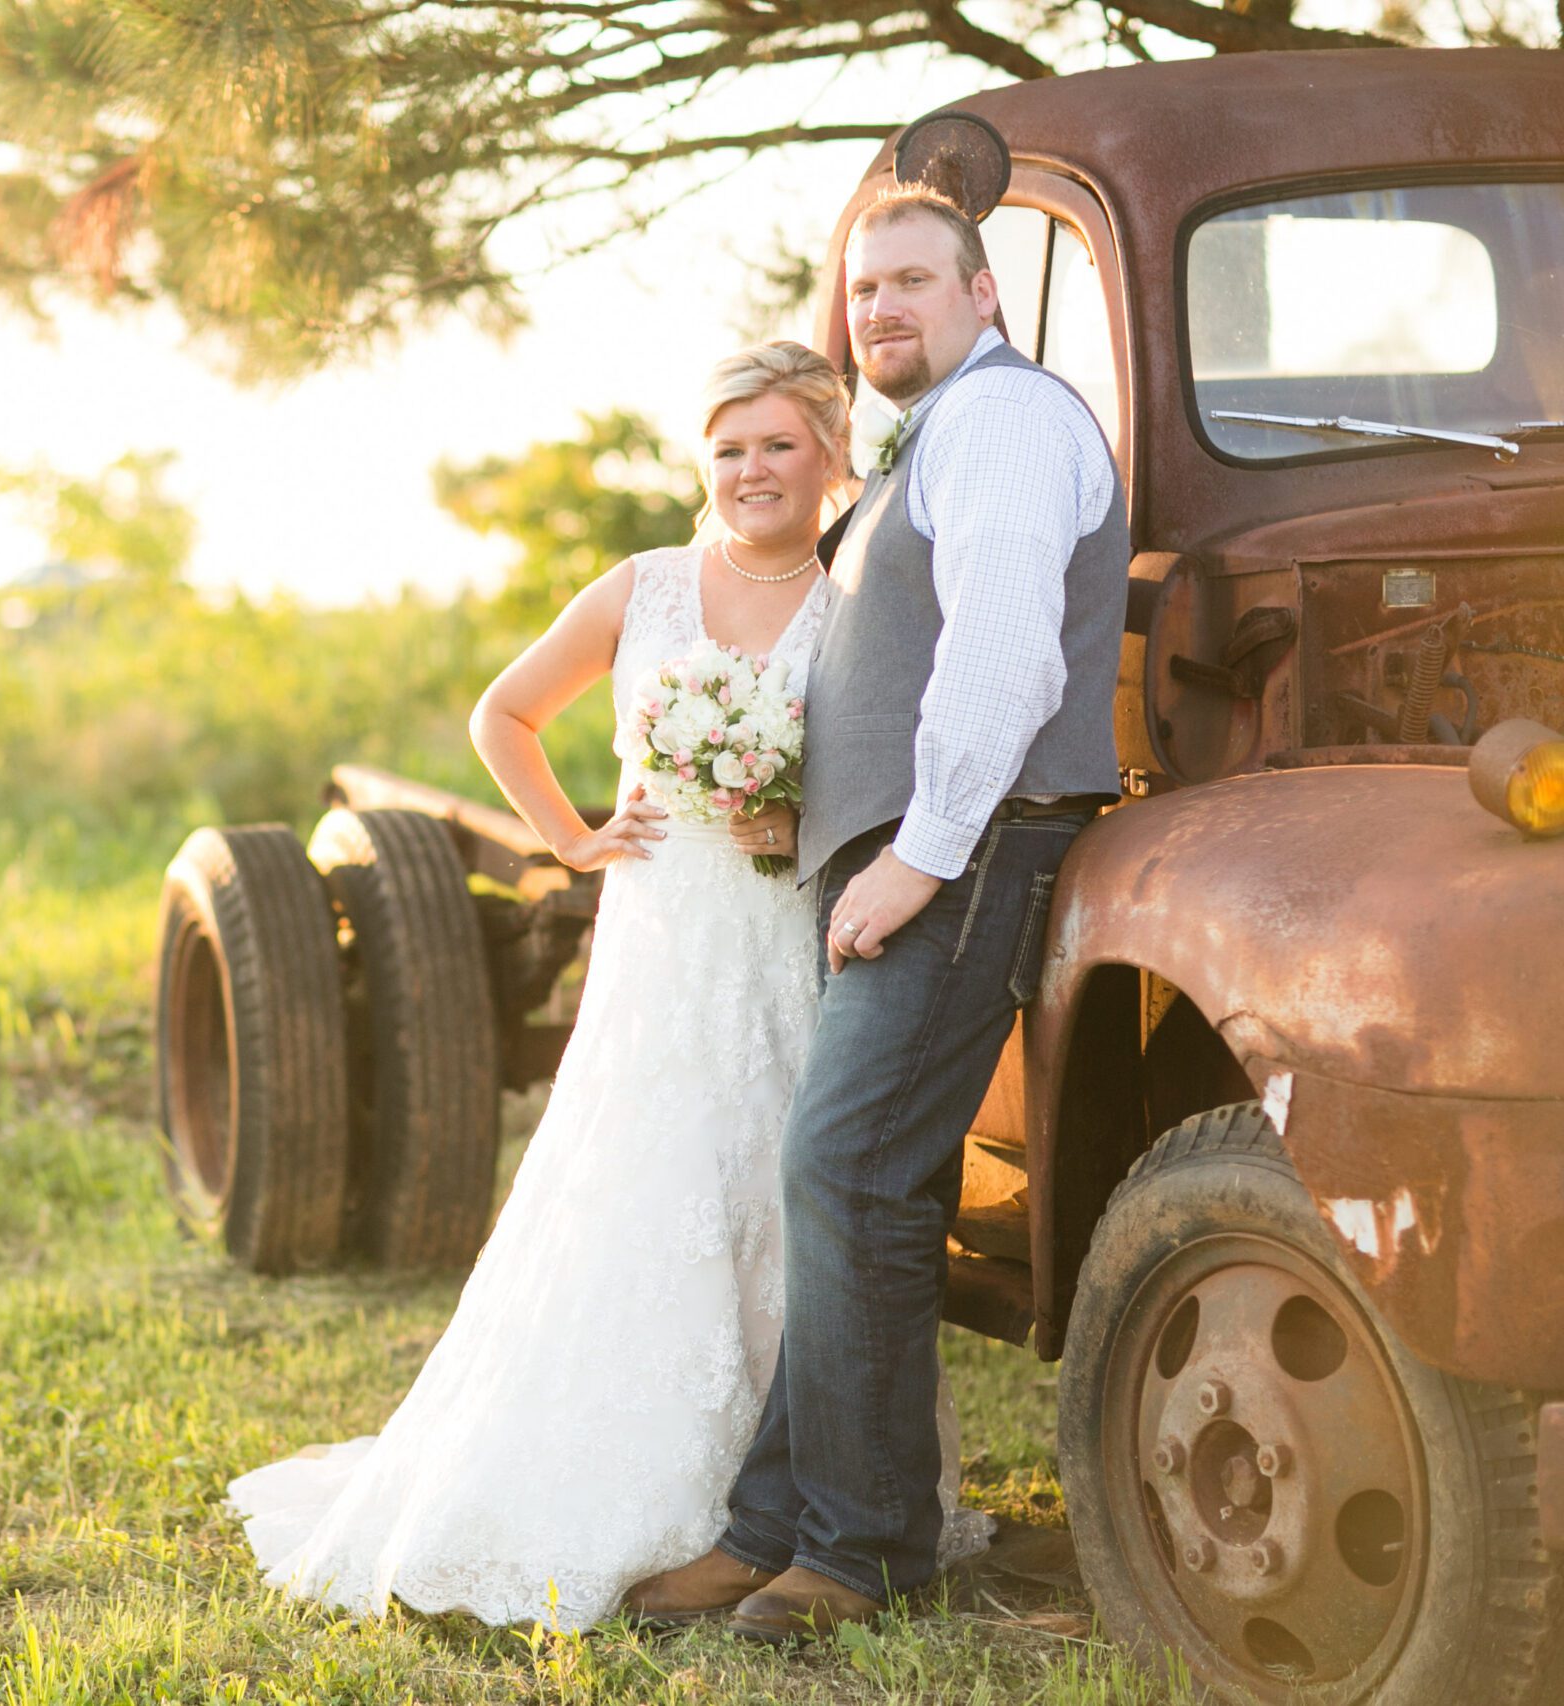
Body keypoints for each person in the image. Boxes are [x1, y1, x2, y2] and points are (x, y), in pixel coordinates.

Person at [224, 339, 988, 1631]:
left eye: (779, 446)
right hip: (664, 932)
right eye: (730, 448)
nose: (753, 470)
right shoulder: (643, 587)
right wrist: (570, 840)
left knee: (784, 1188)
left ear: (829, 452)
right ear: (706, 464)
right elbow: (503, 713)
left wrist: (793, 819)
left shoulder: (857, 595)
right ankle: (638, 1486)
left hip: (788, 933)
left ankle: (803, 1503)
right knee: (651, 1184)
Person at [635, 183, 1128, 1644]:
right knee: (843, 1186)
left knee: (845, 1171)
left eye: (913, 280)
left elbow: (1001, 656)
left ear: (983, 296)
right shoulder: (936, 436)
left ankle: (861, 1553)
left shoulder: (1008, 421)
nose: (881, 311)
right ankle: (775, 1526)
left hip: (973, 854)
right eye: (861, 293)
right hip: (919, 856)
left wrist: (917, 852)